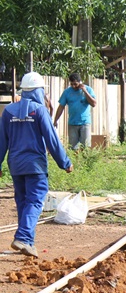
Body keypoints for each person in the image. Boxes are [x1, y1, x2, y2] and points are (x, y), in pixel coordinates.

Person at [0, 72, 73, 257]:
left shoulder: (8, 112)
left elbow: (1, 141)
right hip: (35, 166)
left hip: (16, 166)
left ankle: (28, 243)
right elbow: (52, 140)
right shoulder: (39, 111)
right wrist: (65, 162)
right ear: (39, 91)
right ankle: (24, 237)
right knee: (35, 200)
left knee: (24, 202)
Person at [54, 73, 97, 150]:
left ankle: (86, 162)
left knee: (86, 147)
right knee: (73, 148)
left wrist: (85, 91)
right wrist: (55, 120)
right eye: (71, 84)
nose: (73, 86)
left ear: (80, 82)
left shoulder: (88, 89)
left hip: (85, 123)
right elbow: (61, 107)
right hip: (72, 123)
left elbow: (93, 104)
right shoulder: (67, 92)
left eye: (75, 84)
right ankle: (75, 162)